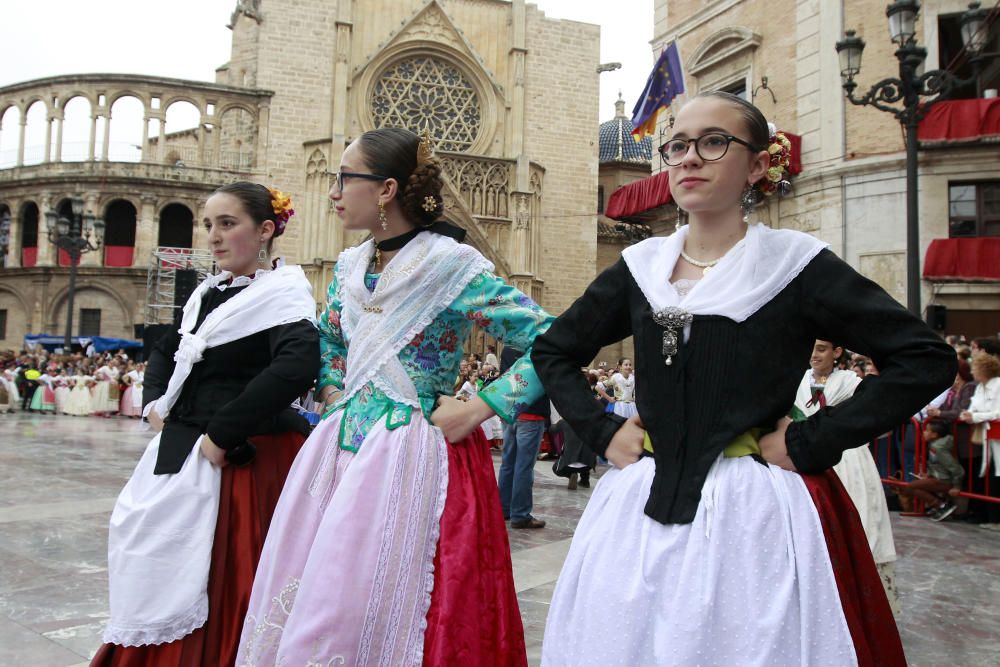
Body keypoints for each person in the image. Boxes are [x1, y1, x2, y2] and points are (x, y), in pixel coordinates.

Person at [531, 91, 956, 666]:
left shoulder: (796, 266)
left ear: (757, 164)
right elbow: (554, 350)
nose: (688, 158)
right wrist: (599, 428)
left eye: (713, 143)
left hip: (752, 514)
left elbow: (924, 357)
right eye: (677, 145)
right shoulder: (640, 269)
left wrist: (812, 439)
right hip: (638, 510)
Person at [236, 128, 552, 666]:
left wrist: (482, 406)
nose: (333, 192)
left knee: (399, 597)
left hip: (418, 455)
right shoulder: (348, 269)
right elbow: (329, 338)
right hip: (340, 451)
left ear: (385, 189)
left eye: (344, 179)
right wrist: (334, 387)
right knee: (323, 586)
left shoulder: (453, 266)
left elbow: (551, 340)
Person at [91, 182, 319, 667]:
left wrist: (221, 433)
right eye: (209, 225)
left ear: (264, 231)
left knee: (224, 577)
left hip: (243, 458)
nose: (214, 237)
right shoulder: (205, 293)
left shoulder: (284, 294)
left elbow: (296, 368)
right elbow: (166, 349)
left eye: (227, 224)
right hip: (184, 445)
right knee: (158, 561)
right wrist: (154, 403)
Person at [792, 339, 898, 614]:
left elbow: (876, 415)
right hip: (804, 457)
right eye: (812, 348)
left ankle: (855, 602)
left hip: (848, 458)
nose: (815, 355)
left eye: (823, 349)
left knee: (857, 519)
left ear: (837, 352)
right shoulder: (797, 379)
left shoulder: (851, 382)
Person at [498, 344, 550, 529]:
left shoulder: (508, 348)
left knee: (508, 463)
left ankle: (503, 509)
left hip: (510, 411)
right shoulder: (540, 347)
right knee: (524, 467)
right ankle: (520, 514)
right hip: (532, 412)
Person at [959, 352, 1000, 528]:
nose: (973, 372)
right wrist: (971, 415)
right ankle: (991, 518)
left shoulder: (998, 385)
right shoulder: (979, 387)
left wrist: (975, 417)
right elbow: (973, 408)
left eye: (976, 368)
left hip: (996, 437)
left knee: (997, 475)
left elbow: (997, 413)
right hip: (986, 437)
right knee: (990, 475)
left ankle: (996, 519)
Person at [896, 420, 963, 521]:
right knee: (915, 486)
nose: (923, 432)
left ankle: (941, 505)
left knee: (910, 487)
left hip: (944, 480)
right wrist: (928, 474)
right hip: (937, 477)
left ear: (934, 434)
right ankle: (940, 504)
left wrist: (957, 486)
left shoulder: (938, 448)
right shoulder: (934, 445)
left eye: (927, 430)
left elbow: (956, 468)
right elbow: (936, 465)